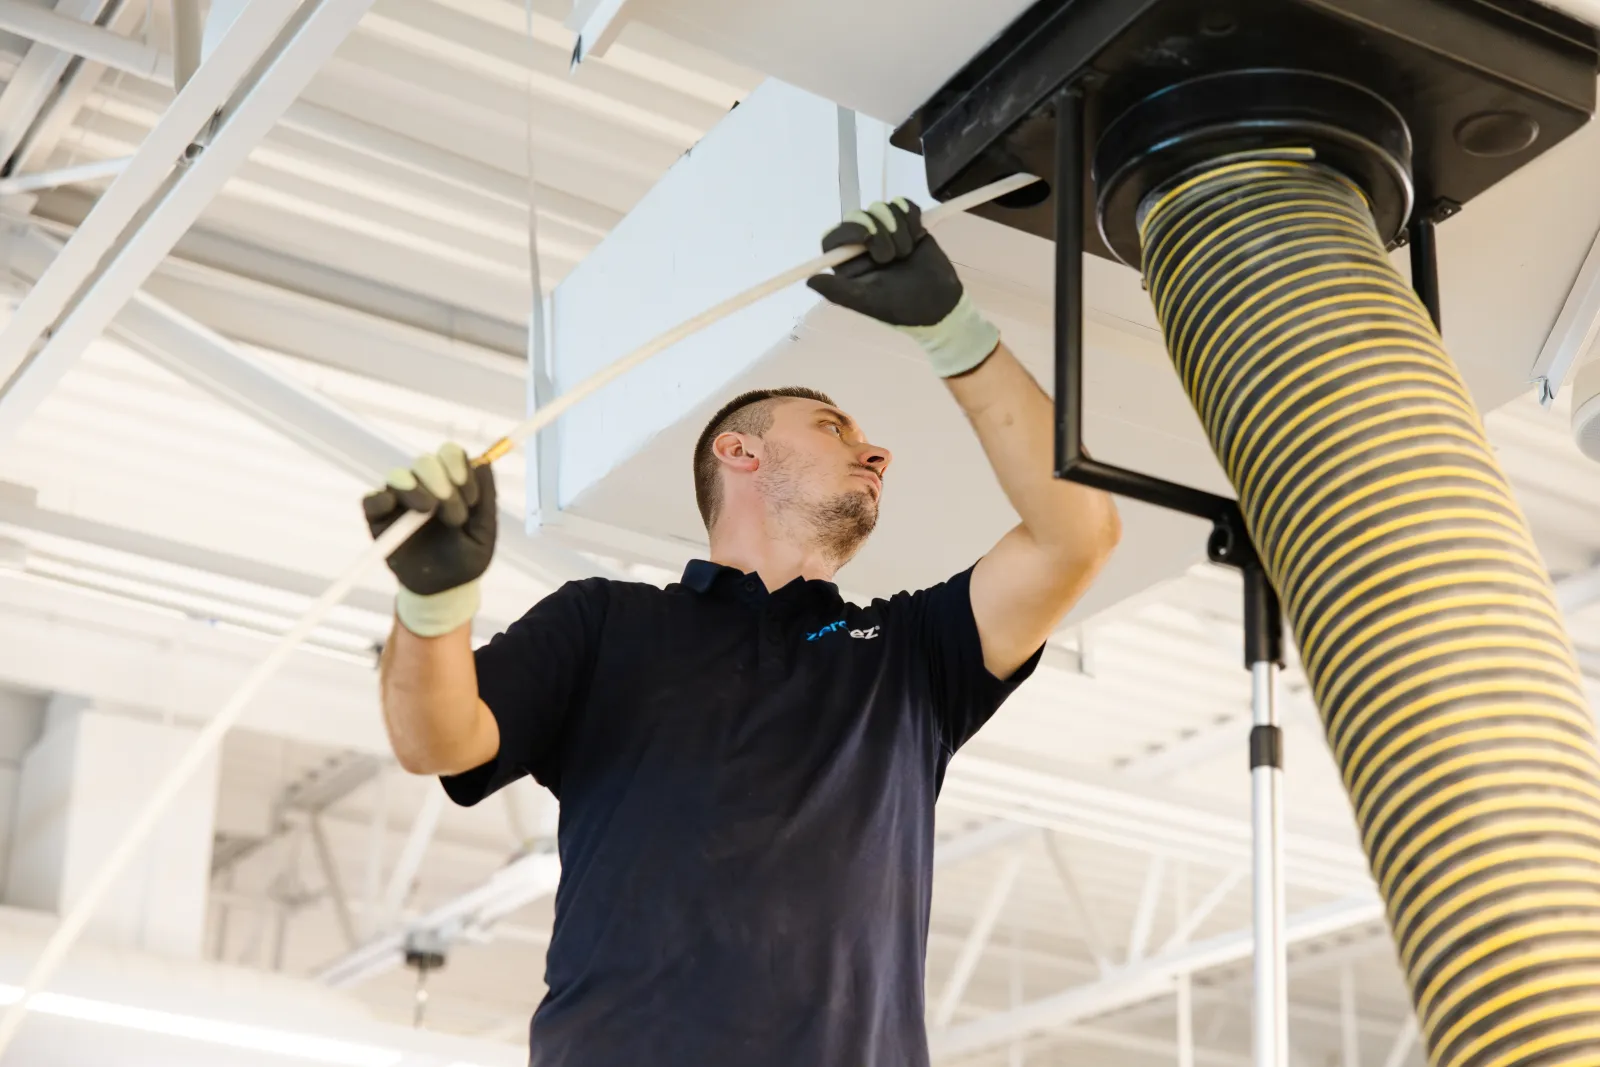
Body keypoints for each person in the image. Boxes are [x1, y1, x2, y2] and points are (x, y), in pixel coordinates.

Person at [364, 199, 1121, 1067]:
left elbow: (1079, 536)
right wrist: (433, 604)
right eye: (834, 429)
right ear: (739, 452)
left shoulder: (912, 655)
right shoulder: (606, 622)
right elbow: (437, 741)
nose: (877, 454)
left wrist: (953, 329)